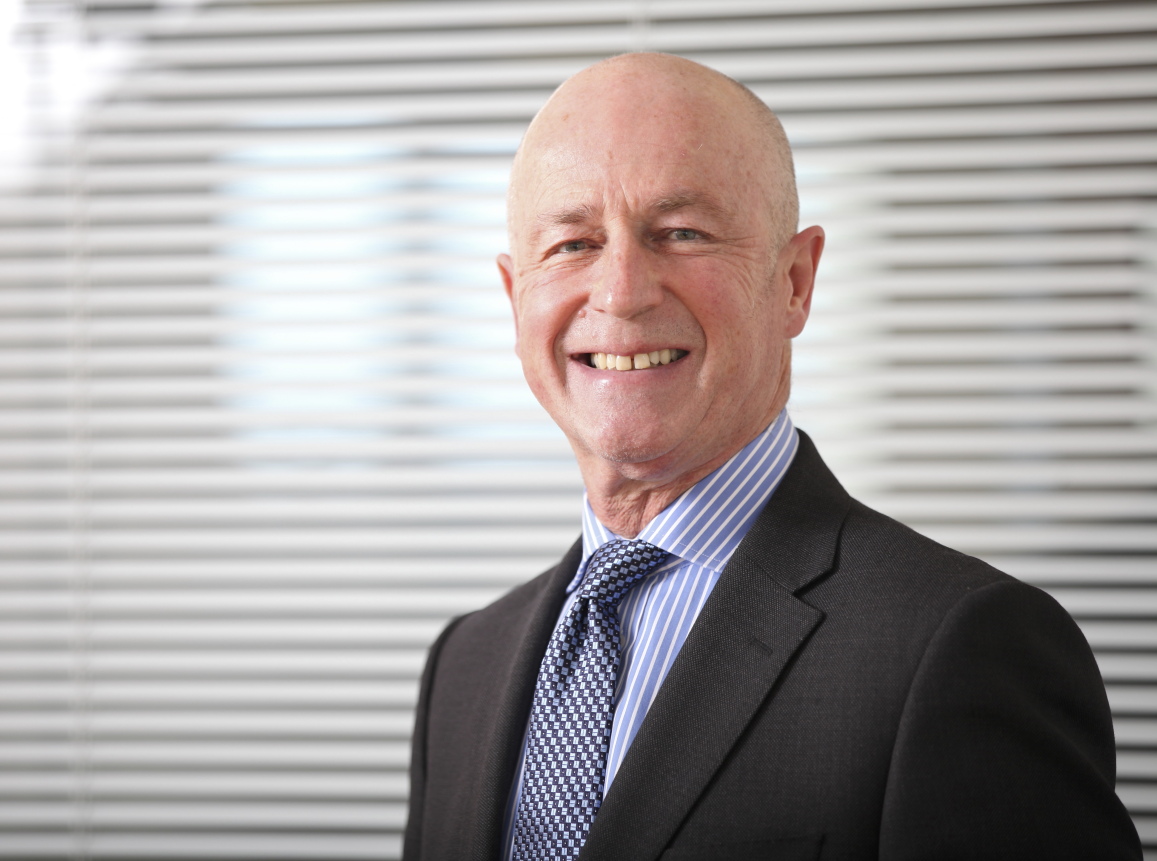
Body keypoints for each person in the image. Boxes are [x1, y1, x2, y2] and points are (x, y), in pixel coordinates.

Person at [403, 52, 1141, 860]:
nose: (620, 291)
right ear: (515, 300)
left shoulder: (960, 644)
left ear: (793, 280)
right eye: (573, 243)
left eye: (680, 233)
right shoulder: (466, 665)